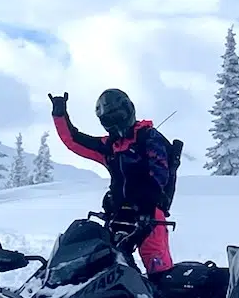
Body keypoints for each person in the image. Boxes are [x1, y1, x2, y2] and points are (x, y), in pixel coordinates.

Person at [50, 88, 178, 275]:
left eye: (118, 115)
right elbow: (75, 141)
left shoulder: (148, 138)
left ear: (129, 110)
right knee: (107, 263)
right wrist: (59, 115)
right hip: (118, 215)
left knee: (158, 267)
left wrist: (146, 204)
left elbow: (160, 173)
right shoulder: (111, 147)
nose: (115, 123)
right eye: (108, 120)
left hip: (149, 214)